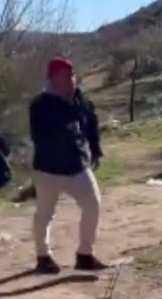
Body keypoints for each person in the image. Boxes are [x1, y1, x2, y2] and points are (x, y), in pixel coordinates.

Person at [30, 57, 108, 273]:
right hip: (48, 169)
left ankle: (85, 254)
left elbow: (90, 124)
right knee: (44, 214)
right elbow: (43, 134)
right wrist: (69, 109)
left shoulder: (79, 100)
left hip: (77, 166)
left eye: (72, 75)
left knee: (93, 204)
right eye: (66, 76)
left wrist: (95, 150)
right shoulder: (41, 105)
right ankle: (43, 256)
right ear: (53, 79)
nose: (71, 79)